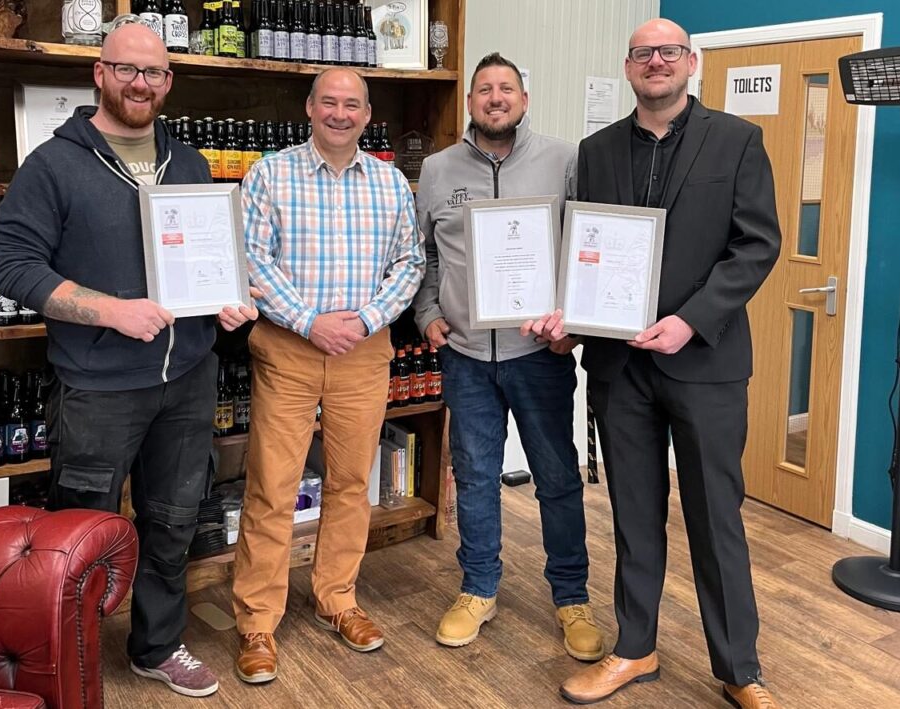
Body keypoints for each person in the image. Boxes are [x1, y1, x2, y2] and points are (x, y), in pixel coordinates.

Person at [0, 23, 258, 698]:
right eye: (128, 69)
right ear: (100, 74)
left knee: (172, 518)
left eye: (156, 73)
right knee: (83, 527)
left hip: (188, 378)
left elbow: (208, 259)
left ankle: (158, 644)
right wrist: (112, 309)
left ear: (169, 83)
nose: (142, 83)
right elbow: (13, 266)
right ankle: (66, 653)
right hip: (100, 386)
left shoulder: (189, 162)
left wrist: (227, 298)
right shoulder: (54, 165)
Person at [530, 18, 782, 708]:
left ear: (690, 62)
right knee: (635, 516)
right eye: (644, 53)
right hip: (621, 370)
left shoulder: (737, 141)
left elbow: (757, 246)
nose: (657, 61)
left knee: (716, 518)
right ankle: (634, 648)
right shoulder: (599, 149)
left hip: (706, 363)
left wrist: (690, 319)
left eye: (669, 50)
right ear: (630, 66)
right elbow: (587, 250)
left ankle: (739, 666)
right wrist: (572, 321)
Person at [232, 67, 424, 683]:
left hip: (364, 351)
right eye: (330, 103)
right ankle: (257, 621)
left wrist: (363, 319)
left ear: (367, 116)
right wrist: (311, 321)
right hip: (289, 347)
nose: (341, 114)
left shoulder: (392, 183)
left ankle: (336, 598)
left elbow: (410, 263)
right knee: (272, 484)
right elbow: (253, 262)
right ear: (310, 108)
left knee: (348, 482)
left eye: (353, 105)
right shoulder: (269, 173)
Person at [412, 53, 603, 662]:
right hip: (466, 356)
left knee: (556, 478)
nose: (495, 98)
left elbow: (584, 246)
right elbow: (424, 255)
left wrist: (572, 325)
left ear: (524, 99)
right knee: (473, 478)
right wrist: (426, 314)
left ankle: (571, 596)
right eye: (484, 89)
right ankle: (478, 588)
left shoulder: (564, 159)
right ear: (470, 102)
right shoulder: (438, 169)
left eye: (506, 89)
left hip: (538, 353)